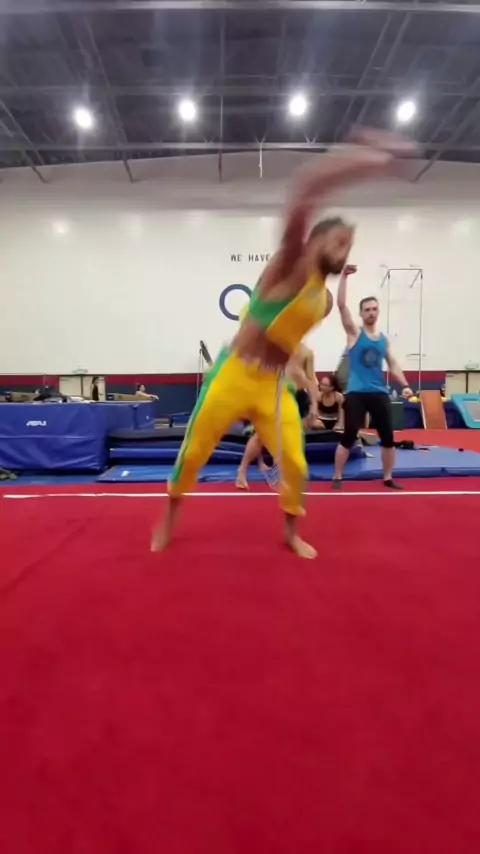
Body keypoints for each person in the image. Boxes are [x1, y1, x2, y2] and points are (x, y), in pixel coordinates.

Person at [152, 129, 413, 559]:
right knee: (195, 449)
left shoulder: (323, 302)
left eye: (349, 245)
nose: (344, 250)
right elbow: (305, 192)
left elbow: (288, 344)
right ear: (315, 241)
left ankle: (291, 532)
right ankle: (170, 515)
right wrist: (367, 161)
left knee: (295, 461)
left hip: (273, 387)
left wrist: (303, 385)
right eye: (339, 240)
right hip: (234, 372)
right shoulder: (290, 263)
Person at [332, 264, 412, 490]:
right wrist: (344, 277)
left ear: (378, 312)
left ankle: (387, 477)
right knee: (349, 435)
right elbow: (341, 305)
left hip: (379, 392)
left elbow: (393, 364)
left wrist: (405, 385)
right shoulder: (354, 334)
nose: (371, 312)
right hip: (356, 393)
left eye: (374, 309)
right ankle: (337, 475)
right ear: (361, 313)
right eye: (367, 309)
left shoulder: (383, 340)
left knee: (387, 437)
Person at [235, 342, 319, 490]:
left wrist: (314, 405)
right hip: (274, 394)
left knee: (294, 435)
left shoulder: (307, 352)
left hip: (296, 395)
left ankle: (282, 472)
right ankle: (242, 470)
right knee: (260, 436)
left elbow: (311, 379)